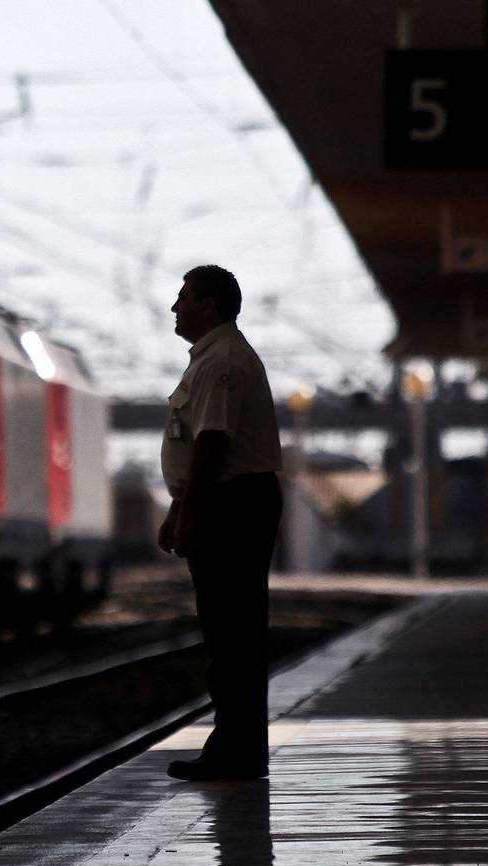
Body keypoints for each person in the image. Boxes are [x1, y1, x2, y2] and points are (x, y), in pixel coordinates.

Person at [157, 265, 283, 782]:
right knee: (230, 632)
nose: (175, 307)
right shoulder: (211, 358)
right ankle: (236, 748)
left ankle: (236, 752)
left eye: (183, 298)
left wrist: (189, 511)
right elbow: (197, 446)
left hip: (233, 505)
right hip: (227, 500)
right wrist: (177, 506)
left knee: (232, 633)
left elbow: (212, 443)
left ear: (207, 305)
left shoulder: (222, 360)